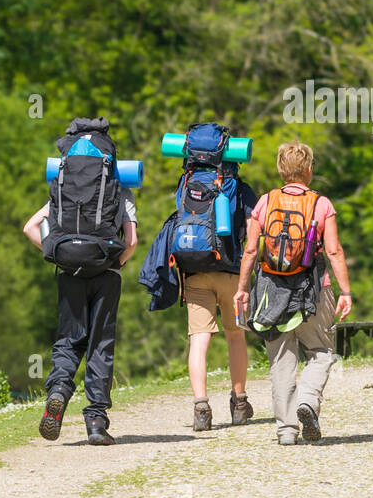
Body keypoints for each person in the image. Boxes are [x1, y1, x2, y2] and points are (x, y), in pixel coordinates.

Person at [22, 120, 139, 445]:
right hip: (106, 273)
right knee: (100, 344)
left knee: (68, 340)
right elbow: (131, 241)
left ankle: (59, 389)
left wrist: (56, 253)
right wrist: (114, 263)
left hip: (69, 271)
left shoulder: (64, 185)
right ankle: (96, 422)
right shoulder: (118, 187)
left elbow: (30, 227)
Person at [233, 141, 353, 445]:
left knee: (281, 360)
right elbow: (334, 251)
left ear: (280, 170)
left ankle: (287, 430)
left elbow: (250, 250)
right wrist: (346, 291)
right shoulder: (321, 204)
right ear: (309, 171)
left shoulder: (265, 202)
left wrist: (242, 289)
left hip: (271, 291)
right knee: (322, 352)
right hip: (313, 289)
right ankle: (308, 401)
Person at [163, 124, 259, 433]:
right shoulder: (239, 188)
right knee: (235, 335)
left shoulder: (185, 182)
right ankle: (240, 402)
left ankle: (201, 407)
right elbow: (253, 231)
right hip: (231, 273)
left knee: (199, 340)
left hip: (194, 271)